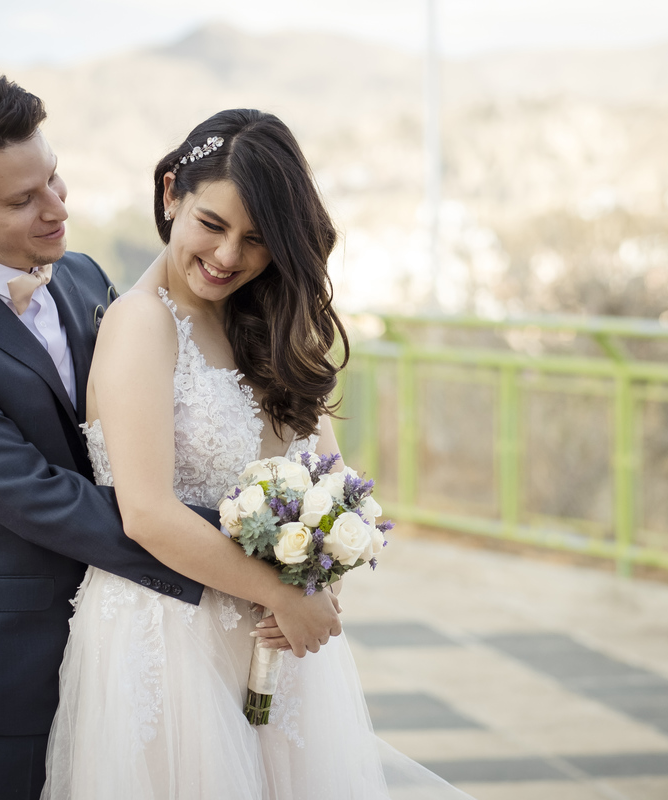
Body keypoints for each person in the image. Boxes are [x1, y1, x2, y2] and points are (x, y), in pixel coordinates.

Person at [0, 71, 341, 800]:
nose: (58, 207)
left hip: (139, 650)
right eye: (24, 199)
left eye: (53, 178)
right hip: (3, 665)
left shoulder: (82, 277)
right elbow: (43, 497)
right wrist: (254, 571)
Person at [42, 109, 471, 799]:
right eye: (212, 225)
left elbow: (330, 481)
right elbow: (146, 512)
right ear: (171, 193)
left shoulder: (267, 325)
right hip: (168, 638)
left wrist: (324, 571)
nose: (229, 256)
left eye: (257, 239)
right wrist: (282, 591)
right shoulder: (140, 324)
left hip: (275, 642)